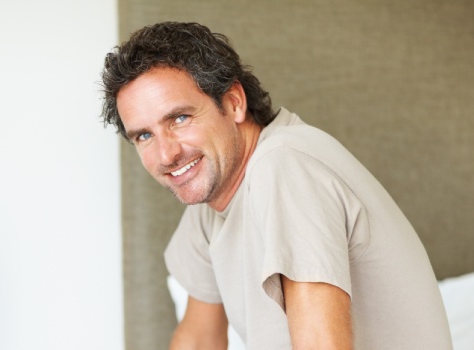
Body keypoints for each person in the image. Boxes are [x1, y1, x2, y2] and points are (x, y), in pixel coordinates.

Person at [100, 22, 452, 349]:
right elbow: (198, 339)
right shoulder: (211, 197)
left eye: (180, 118)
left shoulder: (284, 165)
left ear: (234, 102)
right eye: (144, 135)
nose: (167, 153)